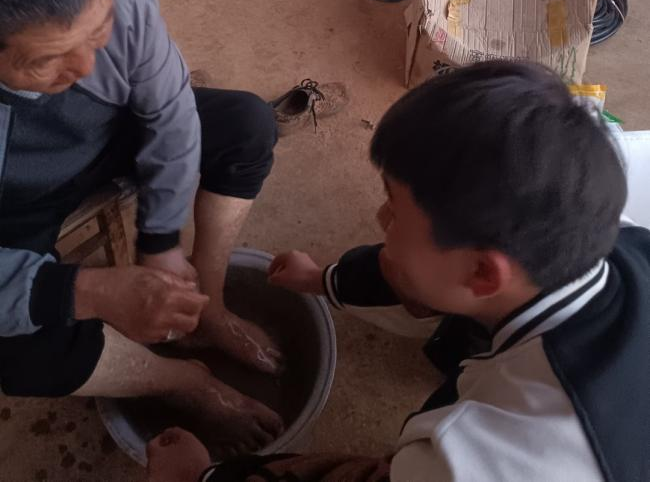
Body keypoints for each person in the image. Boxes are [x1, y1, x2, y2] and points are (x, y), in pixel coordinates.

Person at [147, 61, 650, 482]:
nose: (380, 218)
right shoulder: (610, 239)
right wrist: (322, 279)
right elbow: (414, 270)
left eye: (395, 209)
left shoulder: (478, 455)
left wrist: (201, 478)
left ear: (483, 274)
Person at [0, 0, 283, 454]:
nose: (86, 68)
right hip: (16, 199)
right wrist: (89, 292)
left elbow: (169, 109)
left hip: (106, 134)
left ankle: (209, 307)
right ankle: (184, 381)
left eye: (98, 32)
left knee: (247, 125)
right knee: (18, 354)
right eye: (47, 60)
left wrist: (161, 240)